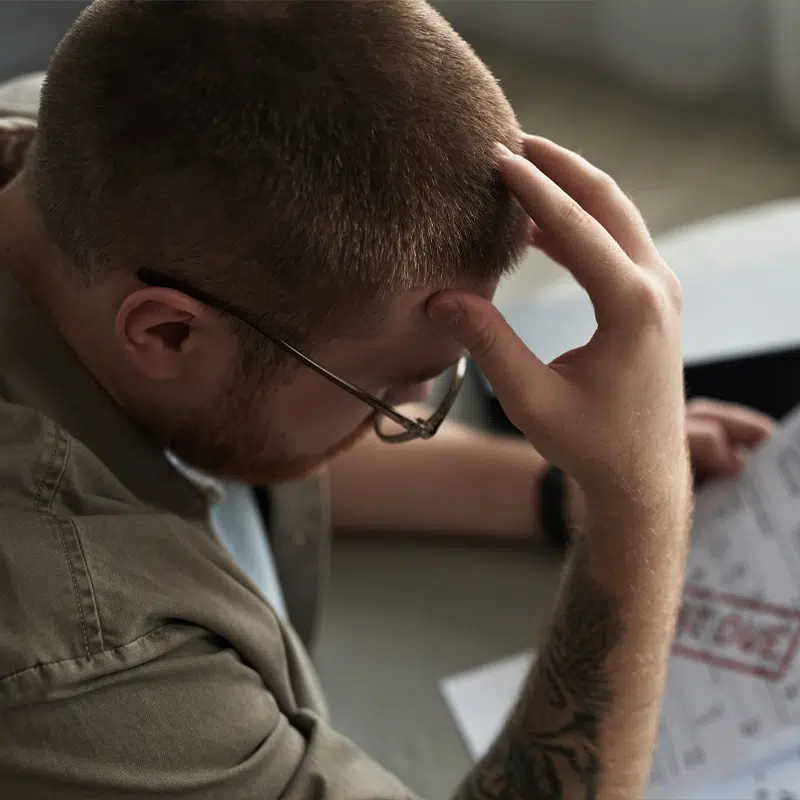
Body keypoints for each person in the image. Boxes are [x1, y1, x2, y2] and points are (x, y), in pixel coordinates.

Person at [0, 2, 774, 798]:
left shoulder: (67, 152)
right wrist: (638, 505)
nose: (407, 412)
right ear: (165, 335)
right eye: (380, 385)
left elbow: (249, 416)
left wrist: (553, 488)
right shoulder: (79, 656)